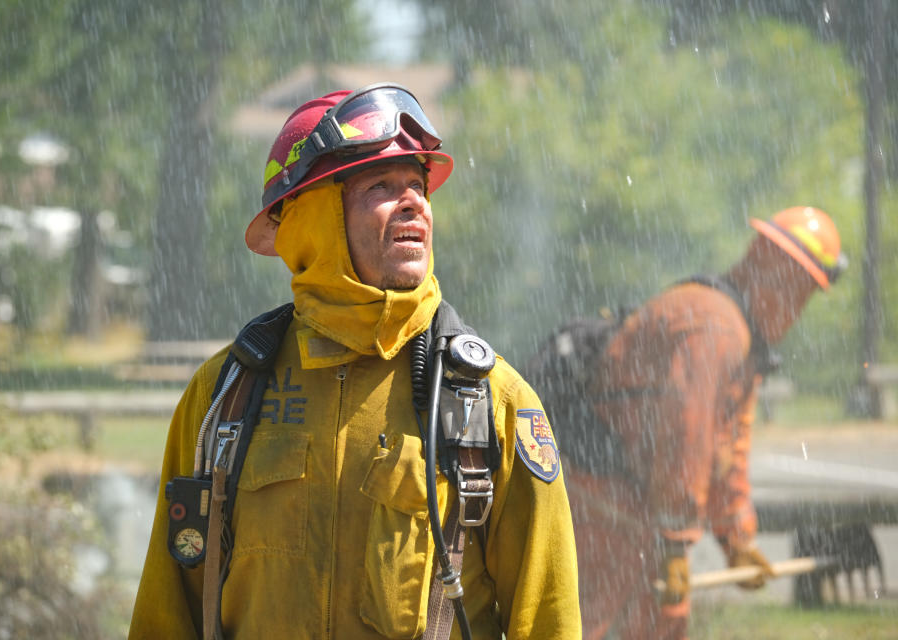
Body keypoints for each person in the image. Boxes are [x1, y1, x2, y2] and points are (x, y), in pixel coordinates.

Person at [128, 83, 581, 640]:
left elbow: (550, 622)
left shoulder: (494, 404)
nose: (414, 201)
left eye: (418, 185)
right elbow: (165, 614)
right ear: (311, 219)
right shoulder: (223, 395)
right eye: (382, 186)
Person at [555, 207, 844, 639]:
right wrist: (674, 540)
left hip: (634, 500)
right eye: (799, 291)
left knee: (661, 623)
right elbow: (683, 439)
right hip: (602, 497)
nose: (796, 308)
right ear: (767, 267)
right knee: (590, 621)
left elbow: (727, 447)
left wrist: (737, 541)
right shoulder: (717, 328)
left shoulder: (737, 333)